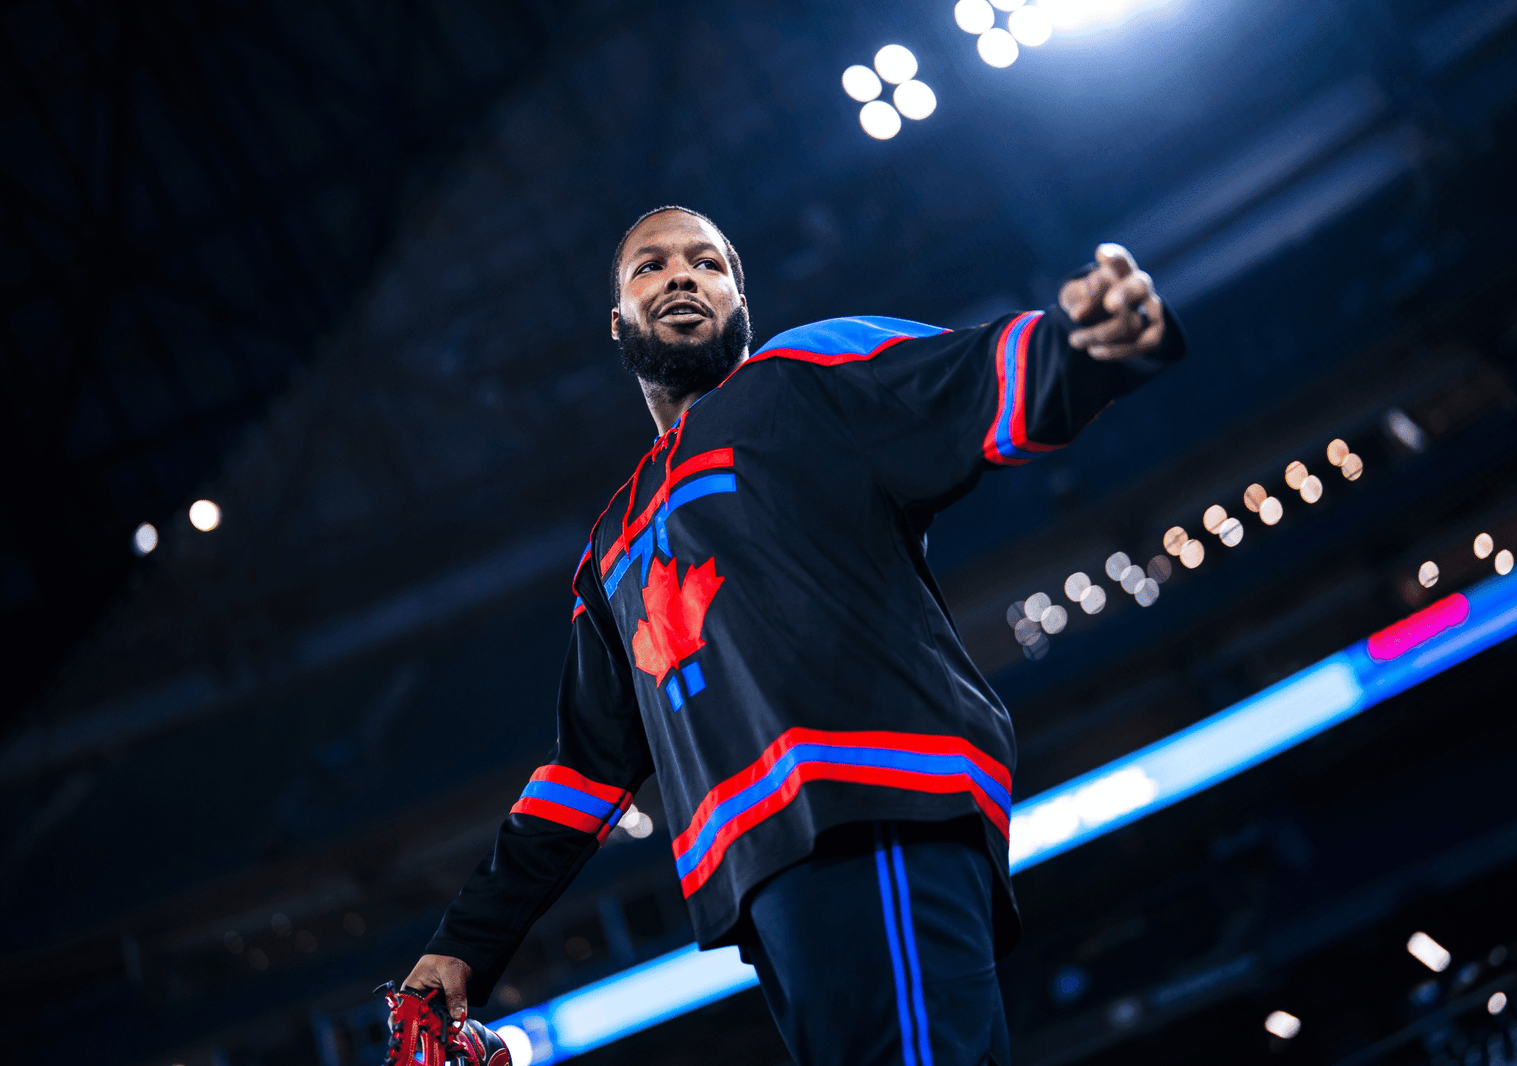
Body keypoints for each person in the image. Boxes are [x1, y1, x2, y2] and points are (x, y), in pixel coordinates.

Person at [397, 206, 1184, 1065]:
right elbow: (585, 770)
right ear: (618, 320)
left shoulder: (802, 377)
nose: (681, 277)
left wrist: (1089, 344)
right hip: (761, 885)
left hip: (877, 805)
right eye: (649, 268)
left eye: (706, 262)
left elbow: (967, 380)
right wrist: (466, 944)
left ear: (741, 297)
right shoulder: (610, 547)